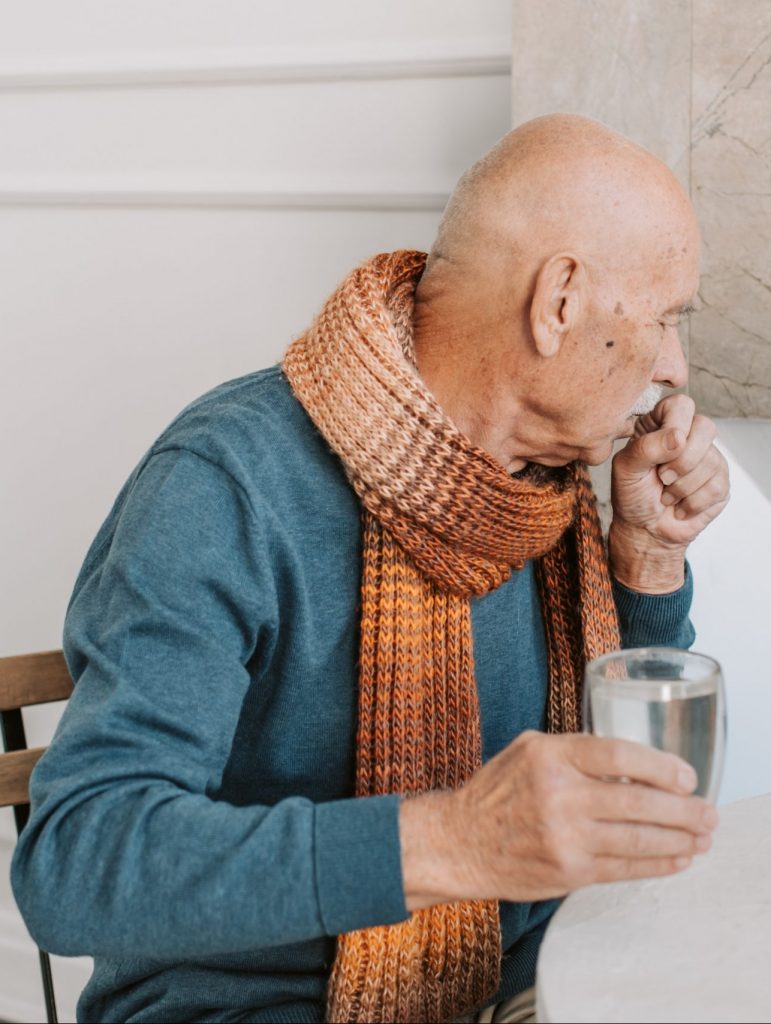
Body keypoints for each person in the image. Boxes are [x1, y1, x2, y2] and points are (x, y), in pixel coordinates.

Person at [12, 114, 729, 1024]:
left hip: (534, 984)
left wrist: (648, 555)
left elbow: (597, 783)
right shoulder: (225, 485)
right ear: (558, 304)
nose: (674, 363)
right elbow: (76, 862)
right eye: (664, 316)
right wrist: (451, 841)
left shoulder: (544, 491)